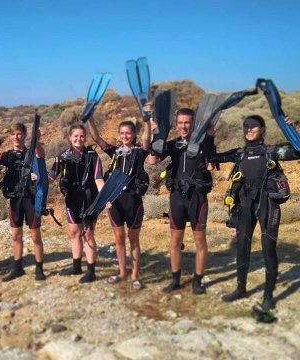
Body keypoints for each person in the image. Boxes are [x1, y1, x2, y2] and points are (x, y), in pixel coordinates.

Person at [208, 115, 300, 309]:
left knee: (268, 249)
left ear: (263, 129)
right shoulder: (239, 154)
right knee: (242, 246)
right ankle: (241, 289)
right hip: (244, 204)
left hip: (268, 203)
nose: (249, 129)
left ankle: (268, 295)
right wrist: (208, 135)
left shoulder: (272, 151)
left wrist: (291, 129)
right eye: (246, 126)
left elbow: (298, 151)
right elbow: (212, 157)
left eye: (254, 126)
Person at [148, 108, 213, 295]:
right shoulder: (172, 144)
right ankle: (175, 280)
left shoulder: (202, 143)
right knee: (175, 241)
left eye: (187, 122)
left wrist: (211, 137)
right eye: (181, 123)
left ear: (193, 124)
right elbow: (152, 160)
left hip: (197, 198)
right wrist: (156, 134)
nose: (184, 126)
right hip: (177, 198)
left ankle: (197, 282)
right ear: (176, 125)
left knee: (200, 241)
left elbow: (212, 165)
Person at [88, 109, 151, 290]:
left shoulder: (140, 152)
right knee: (119, 238)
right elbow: (97, 139)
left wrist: (147, 121)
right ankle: (123, 272)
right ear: (119, 135)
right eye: (122, 133)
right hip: (115, 202)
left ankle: (135, 276)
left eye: (128, 133)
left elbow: (147, 140)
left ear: (133, 134)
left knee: (133, 239)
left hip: (134, 202)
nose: (125, 136)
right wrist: (91, 118)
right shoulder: (115, 152)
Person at [0, 122, 46, 281]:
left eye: (19, 133)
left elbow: (41, 154)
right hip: (15, 201)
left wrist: (37, 140)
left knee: (35, 236)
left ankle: (39, 268)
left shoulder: (32, 152)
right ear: (10, 136)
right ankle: (17, 267)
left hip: (31, 200)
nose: (16, 137)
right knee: (16, 236)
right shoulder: (6, 156)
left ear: (25, 135)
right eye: (13, 134)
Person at [48, 124, 104, 283]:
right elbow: (52, 175)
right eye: (75, 136)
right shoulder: (62, 156)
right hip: (71, 199)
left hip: (90, 200)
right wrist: (40, 179)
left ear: (85, 138)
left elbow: (98, 178)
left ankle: (91, 271)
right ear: (70, 138)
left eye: (81, 136)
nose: (79, 139)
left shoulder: (92, 156)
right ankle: (76, 265)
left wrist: (105, 197)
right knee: (74, 232)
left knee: (88, 235)